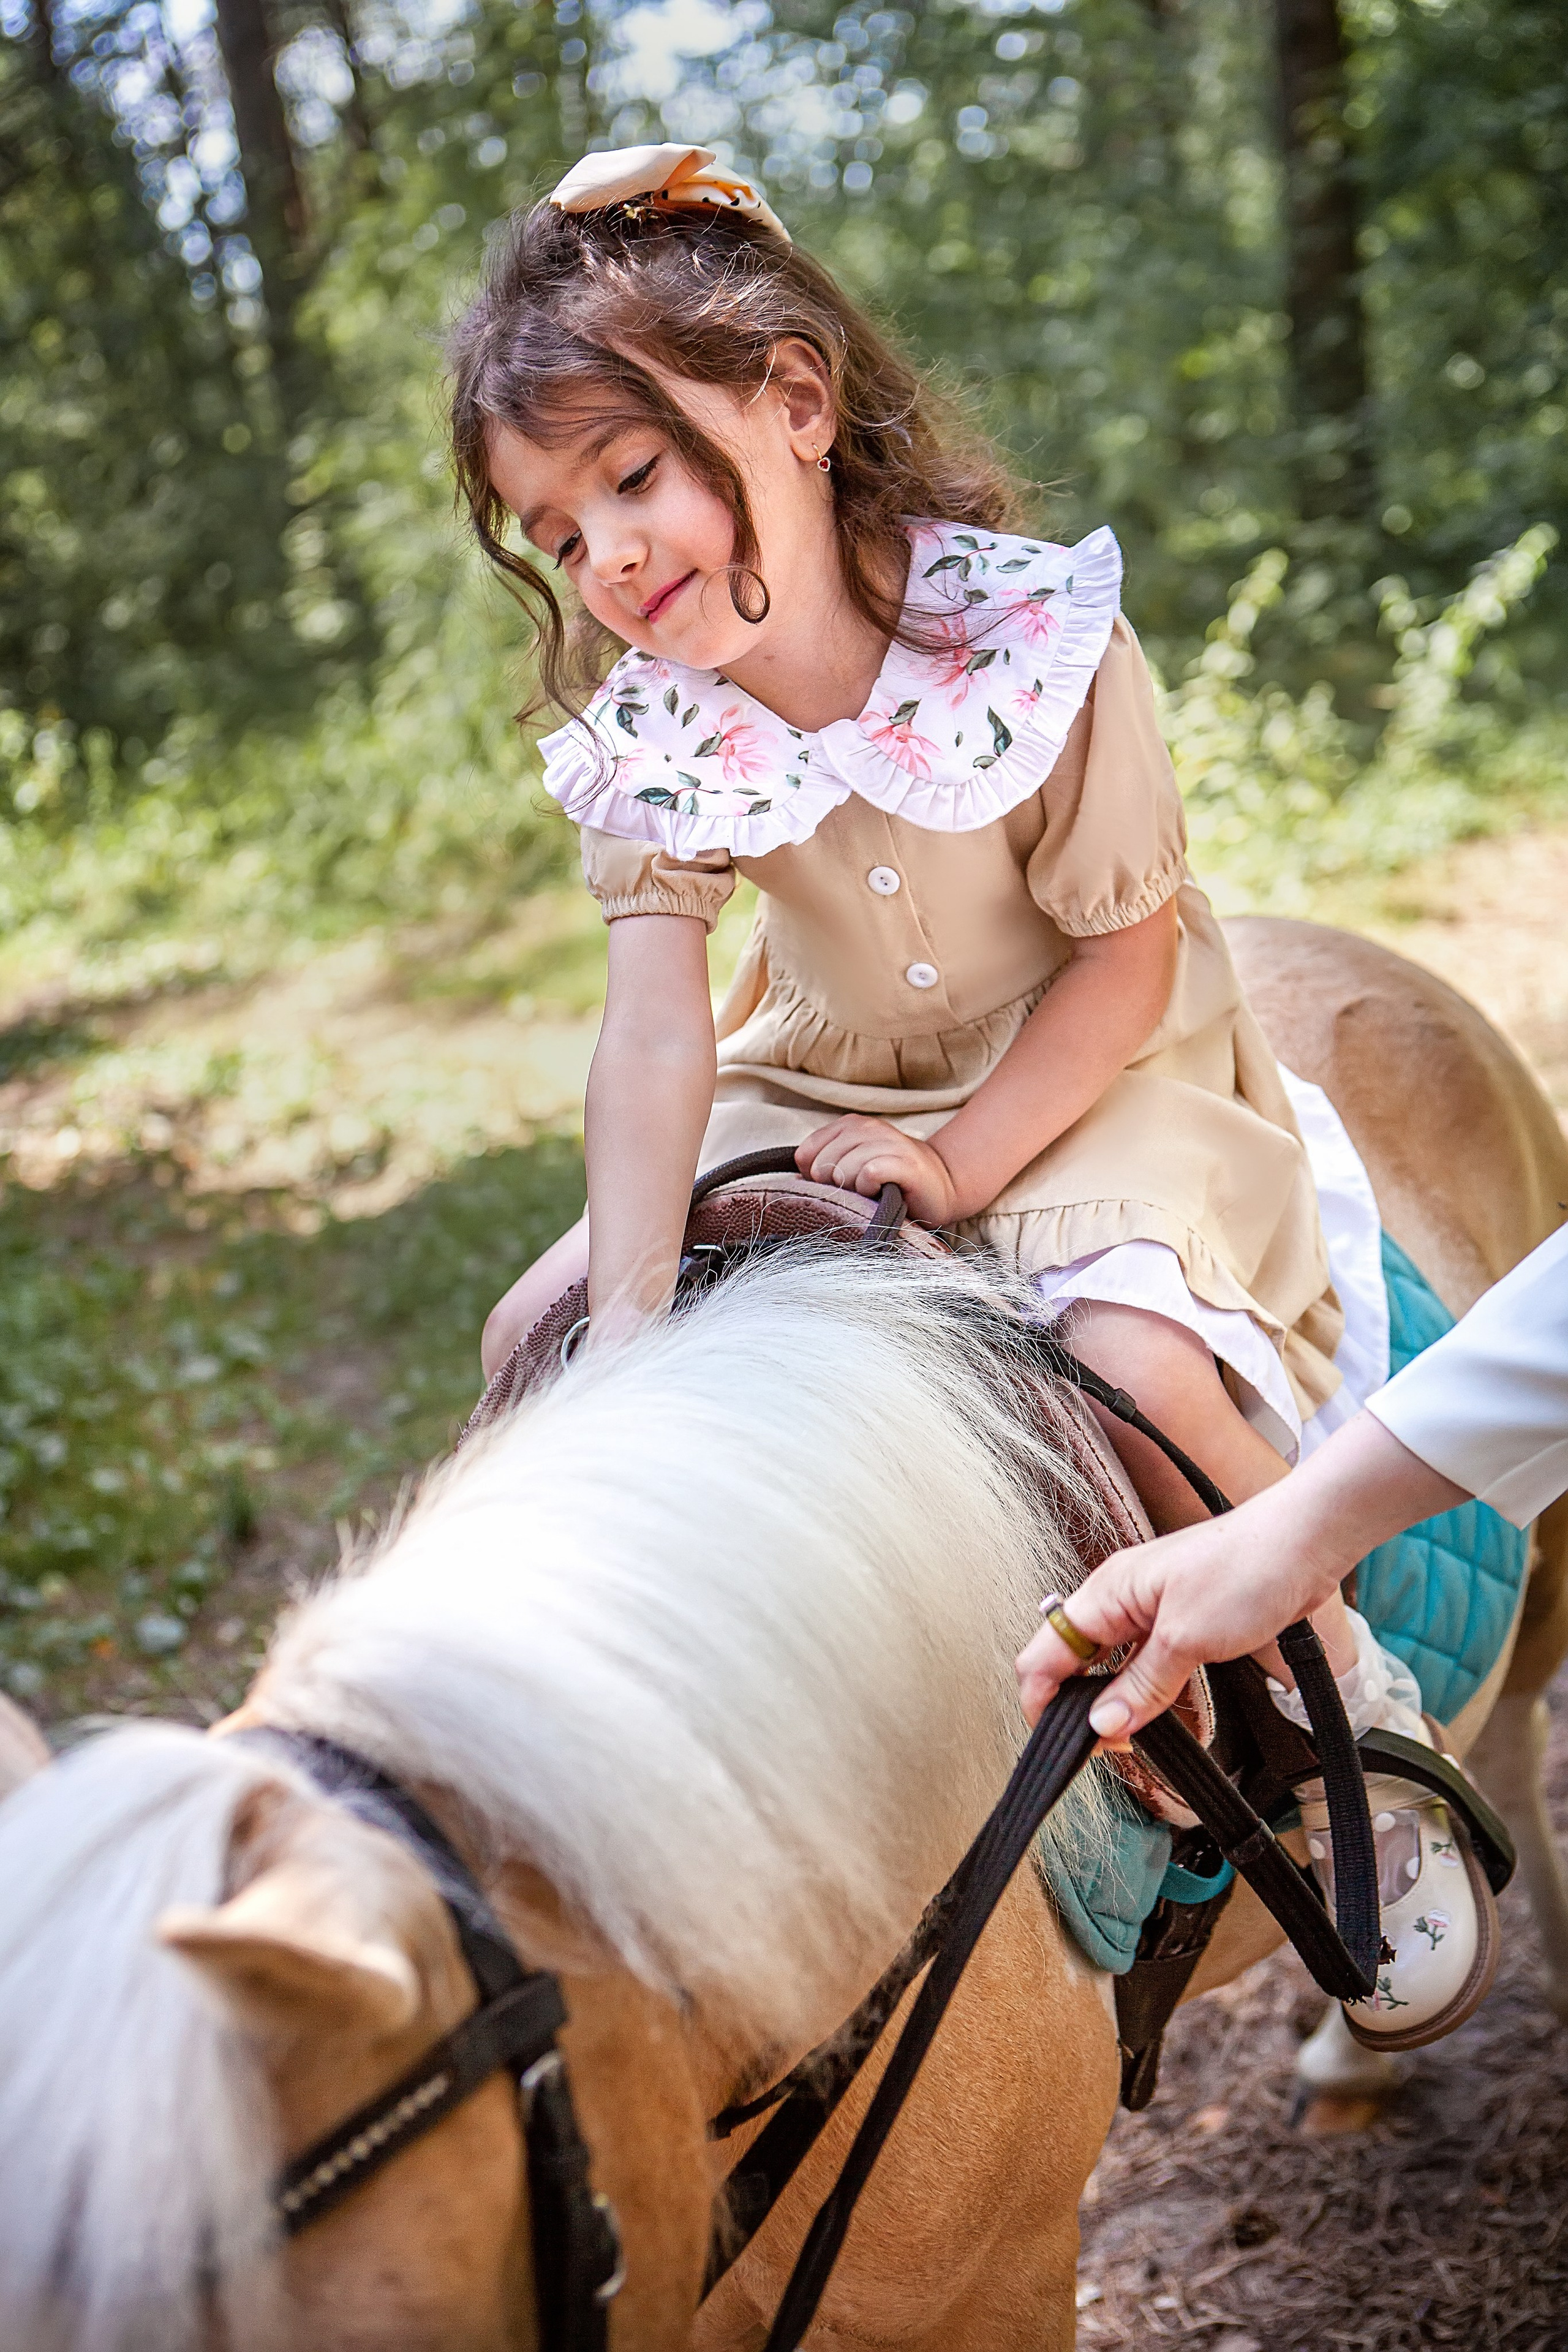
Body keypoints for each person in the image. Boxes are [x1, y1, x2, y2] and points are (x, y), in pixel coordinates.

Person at [443, 142, 1458, 2035]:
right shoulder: (660, 731)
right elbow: (657, 1033)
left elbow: (1124, 958)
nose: (612, 560)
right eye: (559, 534)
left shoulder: (1025, 640)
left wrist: (967, 1160)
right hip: (820, 1065)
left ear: (796, 403)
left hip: (1079, 1059)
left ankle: (1344, 1696)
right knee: (538, 1333)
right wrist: (634, 1324)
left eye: (634, 477)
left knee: (1137, 1357)